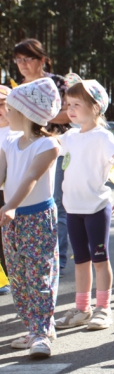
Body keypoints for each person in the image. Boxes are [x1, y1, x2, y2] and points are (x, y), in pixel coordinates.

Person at [53, 76, 114, 331]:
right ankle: (82, 308)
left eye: (76, 104)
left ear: (95, 107)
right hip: (73, 210)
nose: (70, 110)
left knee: (100, 259)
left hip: (96, 209)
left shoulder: (102, 136)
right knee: (80, 261)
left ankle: (103, 308)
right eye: (68, 104)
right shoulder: (69, 136)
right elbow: (46, 148)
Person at [0, 78, 61, 358]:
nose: (5, 113)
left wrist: (11, 205)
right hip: (11, 221)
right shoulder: (10, 141)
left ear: (26, 113)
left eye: (10, 109)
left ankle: (42, 333)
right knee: (19, 279)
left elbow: (31, 177)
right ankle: (34, 328)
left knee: (39, 277)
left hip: (37, 218)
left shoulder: (48, 145)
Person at [13, 39, 71, 274]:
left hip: (56, 147)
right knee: (24, 200)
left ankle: (58, 257)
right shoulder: (17, 87)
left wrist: (36, 114)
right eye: (18, 60)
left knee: (57, 202)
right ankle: (25, 257)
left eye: (27, 59)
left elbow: (71, 113)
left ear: (42, 60)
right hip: (23, 149)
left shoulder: (58, 82)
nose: (23, 64)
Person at [0, 86, 17, 296]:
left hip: (14, 193)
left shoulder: (18, 132)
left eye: (2, 104)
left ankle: (14, 275)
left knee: (10, 237)